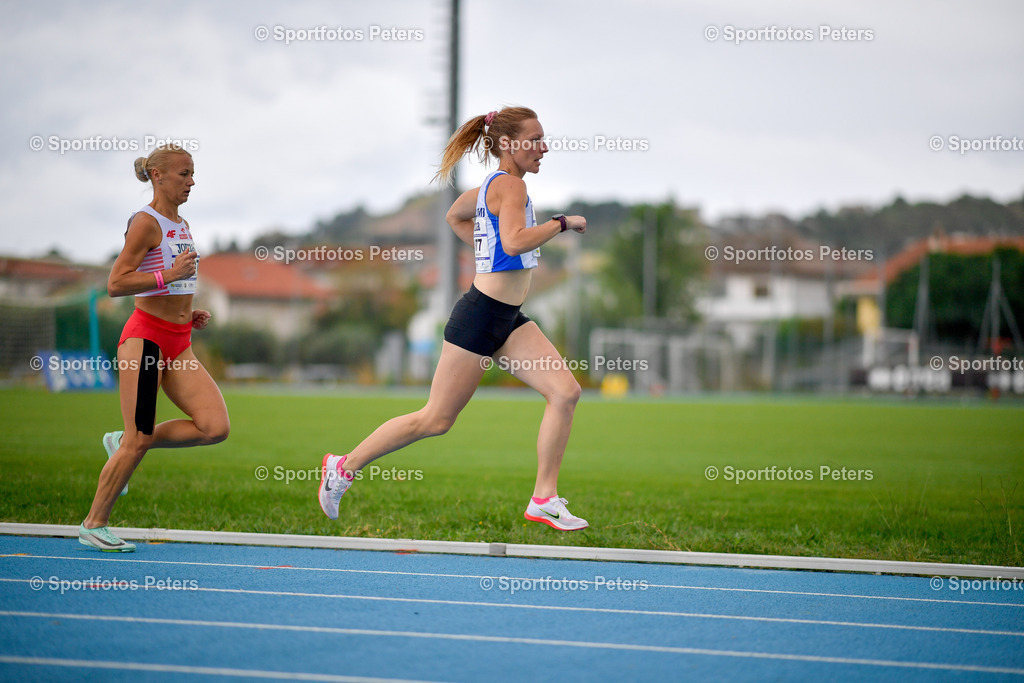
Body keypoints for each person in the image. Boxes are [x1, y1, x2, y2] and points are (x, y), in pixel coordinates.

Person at [319, 106, 589, 530]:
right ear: (508, 143)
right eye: (535, 140)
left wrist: (487, 253)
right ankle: (343, 466)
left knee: (565, 393)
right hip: (480, 317)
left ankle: (544, 498)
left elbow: (457, 217)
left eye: (543, 139)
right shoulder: (511, 186)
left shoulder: (494, 187)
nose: (544, 147)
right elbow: (514, 242)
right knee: (435, 419)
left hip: (508, 319)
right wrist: (562, 223)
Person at [79, 145, 229, 552]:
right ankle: (94, 524)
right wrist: (169, 276)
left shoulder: (182, 223)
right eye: (184, 174)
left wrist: (187, 312)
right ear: (157, 176)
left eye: (193, 173)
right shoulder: (145, 223)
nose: (192, 181)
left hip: (179, 341)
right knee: (139, 440)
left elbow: (172, 283)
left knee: (214, 427)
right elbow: (116, 283)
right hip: (145, 340)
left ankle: (122, 440)